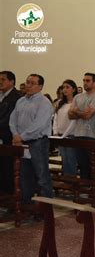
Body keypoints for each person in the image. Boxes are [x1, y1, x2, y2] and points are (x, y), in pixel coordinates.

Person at [9, 74, 54, 210]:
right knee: (24, 175)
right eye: (27, 82)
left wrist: (22, 136)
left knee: (41, 176)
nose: (28, 85)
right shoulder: (21, 101)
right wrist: (15, 134)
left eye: (32, 83)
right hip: (21, 142)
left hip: (37, 143)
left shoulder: (44, 102)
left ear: (40, 86)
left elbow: (39, 125)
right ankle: (27, 205)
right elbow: (13, 120)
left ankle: (46, 209)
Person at [68, 73, 95, 184]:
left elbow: (88, 116)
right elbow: (70, 115)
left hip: (92, 135)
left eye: (88, 80)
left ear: (94, 83)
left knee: (93, 166)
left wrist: (76, 111)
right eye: (84, 80)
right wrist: (81, 113)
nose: (85, 83)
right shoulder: (78, 96)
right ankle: (84, 187)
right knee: (82, 164)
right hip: (78, 134)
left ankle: (94, 189)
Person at [0, 71, 22, 195]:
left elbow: (10, 118)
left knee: (7, 168)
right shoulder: (1, 95)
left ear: (12, 81)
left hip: (9, 137)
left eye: (3, 79)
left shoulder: (17, 97)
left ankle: (9, 196)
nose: (0, 82)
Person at [53, 79, 78, 176]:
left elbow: (74, 121)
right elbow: (55, 118)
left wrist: (65, 134)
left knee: (71, 159)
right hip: (60, 135)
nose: (65, 89)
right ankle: (66, 180)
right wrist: (55, 132)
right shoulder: (60, 103)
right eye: (63, 87)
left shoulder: (76, 103)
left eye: (67, 87)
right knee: (64, 159)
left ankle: (71, 181)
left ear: (74, 89)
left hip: (70, 135)